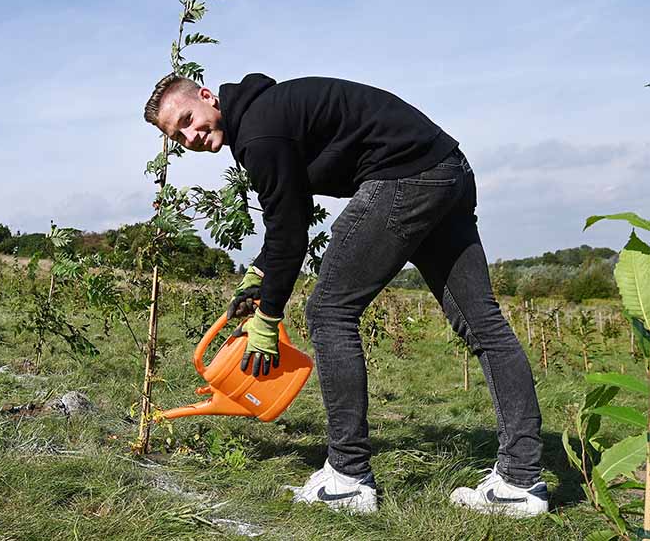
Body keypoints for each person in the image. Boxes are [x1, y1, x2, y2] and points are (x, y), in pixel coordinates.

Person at [144, 73, 547, 517]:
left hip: (405, 177)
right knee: (483, 324)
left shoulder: (259, 133)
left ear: (206, 96)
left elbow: (290, 230)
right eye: (176, 136)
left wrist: (269, 316)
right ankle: (520, 482)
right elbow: (288, 218)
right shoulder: (265, 114)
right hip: (446, 168)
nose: (189, 135)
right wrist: (258, 274)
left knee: (329, 311)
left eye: (187, 120)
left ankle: (348, 476)